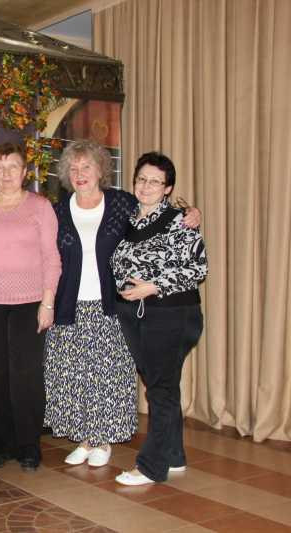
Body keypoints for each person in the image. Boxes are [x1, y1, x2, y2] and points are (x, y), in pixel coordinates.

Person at [44, 140, 201, 468]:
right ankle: (84, 438)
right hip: (69, 304)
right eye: (73, 168)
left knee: (107, 374)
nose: (80, 173)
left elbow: (158, 211)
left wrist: (190, 212)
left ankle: (103, 439)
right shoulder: (56, 211)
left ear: (101, 169)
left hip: (111, 306)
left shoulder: (121, 203)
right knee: (74, 374)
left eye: (87, 166)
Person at [111, 152, 207, 486]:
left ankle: (151, 467)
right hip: (136, 315)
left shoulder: (180, 220)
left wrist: (152, 286)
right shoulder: (128, 217)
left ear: (167, 188)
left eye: (155, 181)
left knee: (160, 390)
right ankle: (174, 456)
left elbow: (197, 268)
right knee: (162, 385)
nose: (146, 186)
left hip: (171, 314)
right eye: (142, 179)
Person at [0, 142, 61, 470]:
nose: (6, 173)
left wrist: (48, 303)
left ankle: (28, 446)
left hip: (30, 303)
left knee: (26, 376)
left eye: (13, 166)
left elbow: (52, 258)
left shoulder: (40, 207)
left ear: (25, 172)